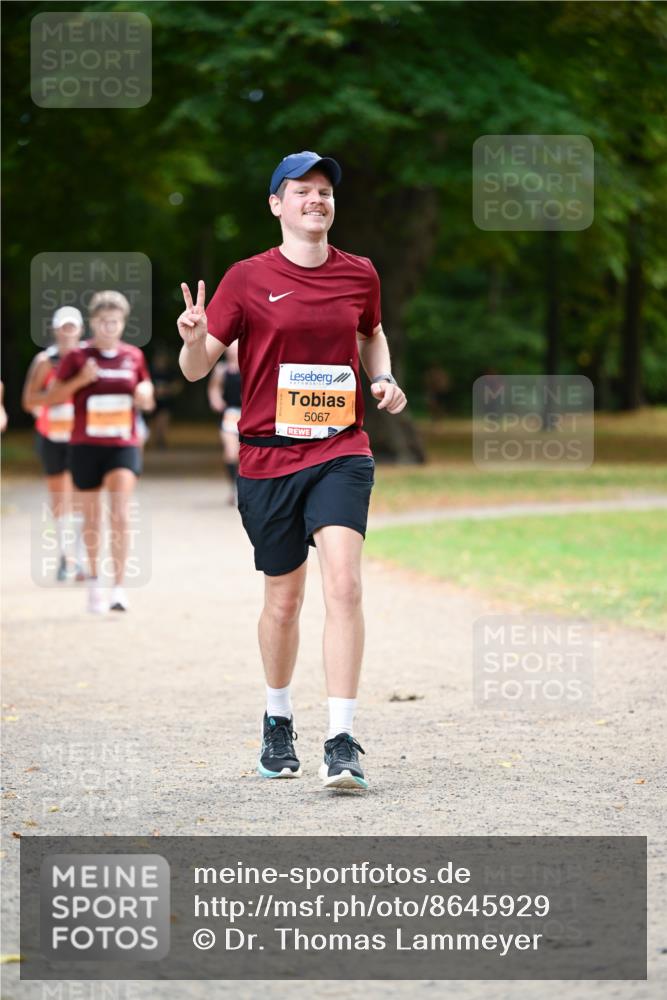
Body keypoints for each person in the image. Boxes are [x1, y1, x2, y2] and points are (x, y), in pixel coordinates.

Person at [177, 151, 406, 790]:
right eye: (302, 190)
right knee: (283, 600)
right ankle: (278, 720)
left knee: (345, 586)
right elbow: (195, 370)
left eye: (324, 191)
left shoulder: (360, 273)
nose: (316, 199)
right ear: (277, 204)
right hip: (267, 457)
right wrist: (194, 338)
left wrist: (383, 377)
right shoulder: (247, 278)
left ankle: (342, 739)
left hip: (340, 449)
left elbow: (372, 332)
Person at [41, 290, 155, 613]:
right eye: (103, 321)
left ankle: (118, 588)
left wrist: (145, 392)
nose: (109, 327)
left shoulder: (133, 356)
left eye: (115, 322)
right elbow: (52, 397)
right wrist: (81, 380)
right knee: (91, 518)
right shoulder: (77, 357)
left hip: (122, 445)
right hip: (85, 446)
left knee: (120, 512)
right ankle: (94, 582)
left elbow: (147, 395)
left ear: (123, 323)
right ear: (93, 323)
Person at [21, 306, 86, 581]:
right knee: (60, 499)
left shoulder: (87, 360)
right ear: (56, 330)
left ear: (80, 330)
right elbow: (28, 401)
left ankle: (79, 558)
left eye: (73, 327)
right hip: (51, 436)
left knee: (81, 497)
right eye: (64, 327)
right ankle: (65, 556)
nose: (68, 332)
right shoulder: (44, 362)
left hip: (80, 437)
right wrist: (63, 392)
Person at [207, 339, 242, 504]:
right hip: (230, 415)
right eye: (231, 349)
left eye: (236, 348)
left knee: (246, 454)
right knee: (231, 453)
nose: (233, 352)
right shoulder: (221, 369)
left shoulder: (250, 365)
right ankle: (233, 487)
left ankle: (244, 486)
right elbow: (214, 388)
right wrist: (216, 401)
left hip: (248, 414)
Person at [149, 347, 183, 449]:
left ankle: (161, 439)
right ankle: (156, 439)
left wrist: (166, 389)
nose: (160, 361)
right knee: (155, 421)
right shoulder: (151, 371)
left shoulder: (170, 372)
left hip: (166, 401)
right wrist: (154, 390)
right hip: (153, 401)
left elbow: (178, 385)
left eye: (162, 359)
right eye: (158, 359)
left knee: (163, 420)